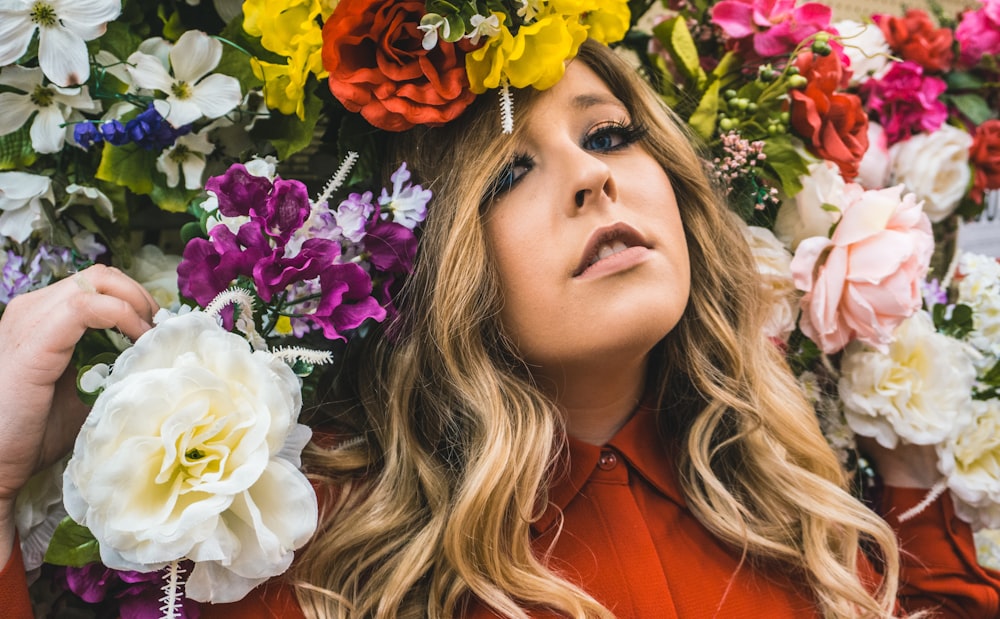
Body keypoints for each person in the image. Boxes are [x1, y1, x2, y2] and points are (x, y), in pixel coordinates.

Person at [1, 39, 999, 619]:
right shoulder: (310, 555)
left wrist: (905, 451)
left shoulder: (793, 510)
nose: (594, 175)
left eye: (609, 133)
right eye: (509, 171)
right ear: (422, 256)